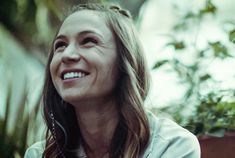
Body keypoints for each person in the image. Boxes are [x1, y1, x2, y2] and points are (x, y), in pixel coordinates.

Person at [24, 3, 200, 158]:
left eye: (88, 41)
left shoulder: (171, 146)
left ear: (125, 61)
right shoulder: (39, 154)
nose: (67, 55)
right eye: (60, 45)